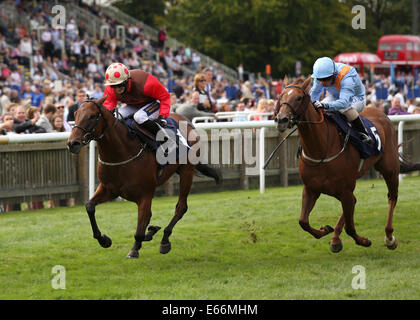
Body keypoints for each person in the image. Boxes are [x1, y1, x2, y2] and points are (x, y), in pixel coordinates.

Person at [102, 62, 173, 150]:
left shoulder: (146, 83)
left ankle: (165, 139)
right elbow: (108, 106)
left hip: (153, 103)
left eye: (119, 85)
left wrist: (162, 115)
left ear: (127, 80)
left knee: (139, 117)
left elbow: (165, 97)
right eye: (113, 86)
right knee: (116, 116)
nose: (117, 89)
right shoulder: (110, 89)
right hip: (133, 105)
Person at [310, 57, 372, 144]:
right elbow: (314, 93)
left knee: (343, 108)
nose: (322, 83)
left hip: (356, 98)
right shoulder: (320, 75)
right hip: (336, 97)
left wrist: (326, 106)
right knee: (319, 107)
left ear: (334, 74)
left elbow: (344, 102)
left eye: (325, 79)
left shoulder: (346, 76)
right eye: (320, 79)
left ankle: (363, 133)